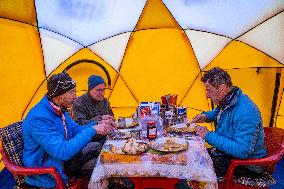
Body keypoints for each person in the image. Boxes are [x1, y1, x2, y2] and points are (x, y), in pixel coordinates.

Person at [22, 73, 116, 188]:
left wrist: (98, 123)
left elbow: (77, 130)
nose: (75, 96)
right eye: (72, 92)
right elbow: (62, 152)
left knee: (101, 149)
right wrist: (93, 129)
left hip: (62, 162)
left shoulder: (59, 110)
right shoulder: (39, 118)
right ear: (58, 95)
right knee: (104, 166)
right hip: (50, 172)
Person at [191, 67, 266, 178]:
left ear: (222, 88)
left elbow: (243, 151)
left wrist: (208, 135)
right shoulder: (228, 100)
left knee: (193, 170)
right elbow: (220, 112)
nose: (207, 95)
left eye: (209, 90)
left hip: (247, 165)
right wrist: (205, 116)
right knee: (193, 155)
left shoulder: (246, 111)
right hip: (227, 154)